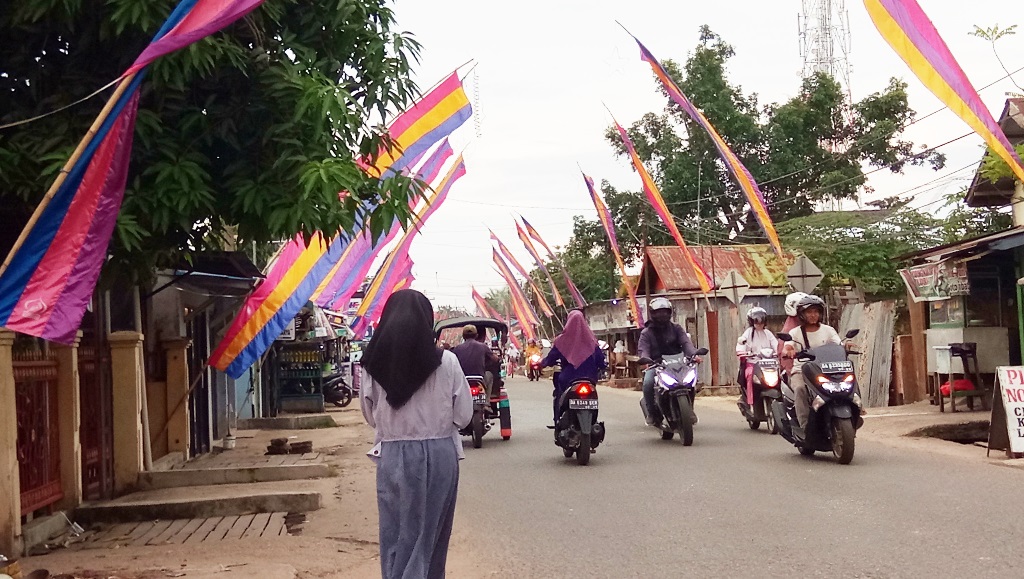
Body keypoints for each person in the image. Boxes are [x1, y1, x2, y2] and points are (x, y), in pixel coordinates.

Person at [359, 289, 472, 579]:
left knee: (396, 530)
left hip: (393, 454)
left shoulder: (371, 364)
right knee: (433, 531)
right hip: (440, 453)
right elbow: (463, 415)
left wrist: (396, 427)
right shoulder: (446, 362)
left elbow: (370, 414)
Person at [783, 294, 841, 439]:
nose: (813, 315)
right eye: (809, 312)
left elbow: (838, 344)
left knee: (846, 378)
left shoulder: (828, 330)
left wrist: (846, 346)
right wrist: (789, 351)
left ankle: (856, 405)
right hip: (801, 371)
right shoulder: (795, 333)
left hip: (825, 369)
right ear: (802, 314)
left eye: (816, 311)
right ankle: (805, 426)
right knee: (800, 389)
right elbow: (787, 346)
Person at [638, 297, 700, 426]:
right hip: (657, 365)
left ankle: (689, 410)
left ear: (670, 312)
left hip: (678, 363)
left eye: (665, 311)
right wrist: (646, 360)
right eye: (659, 312)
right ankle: (652, 413)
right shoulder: (646, 333)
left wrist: (694, 354)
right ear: (652, 313)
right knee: (648, 383)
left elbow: (686, 343)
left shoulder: (676, 328)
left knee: (691, 382)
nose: (662, 315)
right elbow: (643, 349)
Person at [541, 310, 607, 426]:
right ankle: (593, 420)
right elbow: (601, 361)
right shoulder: (592, 341)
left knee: (559, 394)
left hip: (568, 378)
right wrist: (603, 367)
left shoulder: (561, 341)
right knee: (592, 398)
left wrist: (544, 363)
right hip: (590, 377)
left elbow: (551, 358)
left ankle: (558, 420)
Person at [735, 306, 779, 408]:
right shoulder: (748, 333)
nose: (759, 324)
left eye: (761, 321)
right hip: (753, 363)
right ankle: (751, 401)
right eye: (756, 321)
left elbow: (776, 345)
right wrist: (742, 351)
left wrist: (779, 352)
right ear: (751, 321)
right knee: (750, 375)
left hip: (769, 363)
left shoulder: (768, 333)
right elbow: (741, 343)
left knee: (781, 375)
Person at [451, 326, 499, 396]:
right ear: (476, 336)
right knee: (490, 375)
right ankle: (487, 403)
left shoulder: (457, 348)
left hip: (463, 380)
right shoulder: (483, 347)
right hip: (480, 379)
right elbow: (495, 359)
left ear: (463, 336)